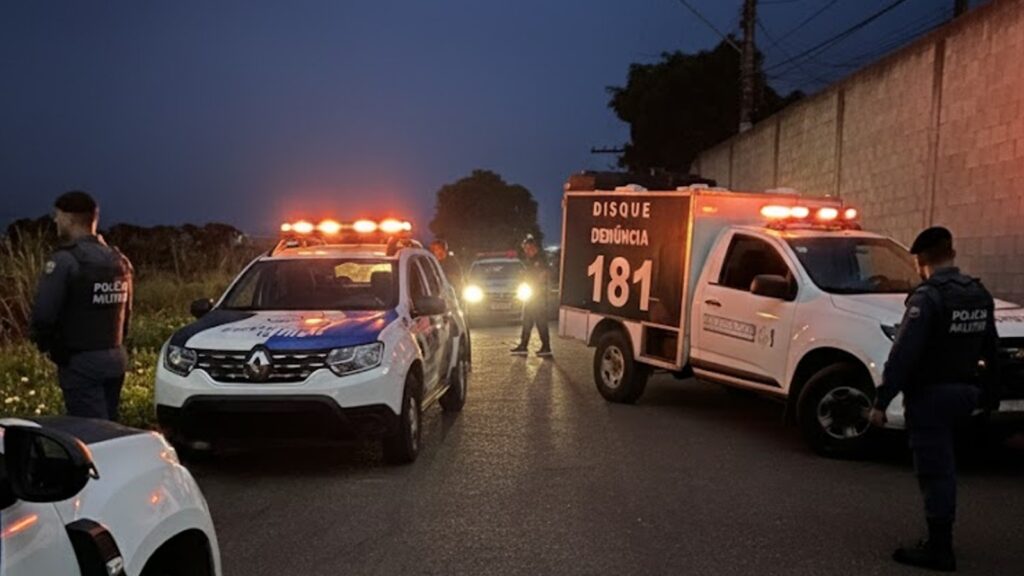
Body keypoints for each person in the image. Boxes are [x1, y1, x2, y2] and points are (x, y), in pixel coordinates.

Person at [869, 226, 999, 572]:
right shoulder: (978, 293)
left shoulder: (927, 298)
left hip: (932, 397)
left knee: (935, 471)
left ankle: (939, 549)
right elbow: (992, 349)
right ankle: (941, 535)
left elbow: (903, 355)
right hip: (967, 394)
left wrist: (882, 402)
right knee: (950, 467)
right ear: (952, 253)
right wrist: (991, 393)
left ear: (920, 260)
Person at [30, 191, 134, 421]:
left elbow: (44, 315)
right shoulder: (119, 260)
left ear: (68, 218)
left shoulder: (65, 261)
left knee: (90, 432)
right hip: (115, 357)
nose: (55, 221)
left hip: (80, 361)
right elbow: (126, 314)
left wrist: (50, 347)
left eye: (57, 215)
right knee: (110, 426)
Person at [510, 235, 552, 358]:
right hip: (531, 295)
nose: (526, 251)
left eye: (528, 248)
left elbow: (543, 276)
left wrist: (535, 284)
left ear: (534, 248)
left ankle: (546, 346)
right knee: (527, 321)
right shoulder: (530, 261)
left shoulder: (540, 260)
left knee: (541, 322)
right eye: (525, 249)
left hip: (538, 296)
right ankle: (523, 345)